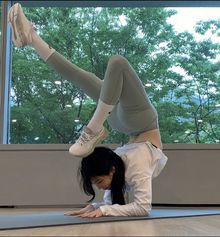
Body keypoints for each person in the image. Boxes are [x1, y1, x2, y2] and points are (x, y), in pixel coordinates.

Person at [8, 3, 168, 217]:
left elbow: (112, 202)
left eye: (98, 182)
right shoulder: (136, 169)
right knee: (115, 63)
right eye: (99, 182)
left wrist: (96, 207)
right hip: (141, 122)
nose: (100, 187)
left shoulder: (118, 166)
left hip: (125, 123)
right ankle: (93, 128)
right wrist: (100, 208)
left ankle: (33, 39)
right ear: (111, 170)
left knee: (79, 76)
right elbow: (143, 208)